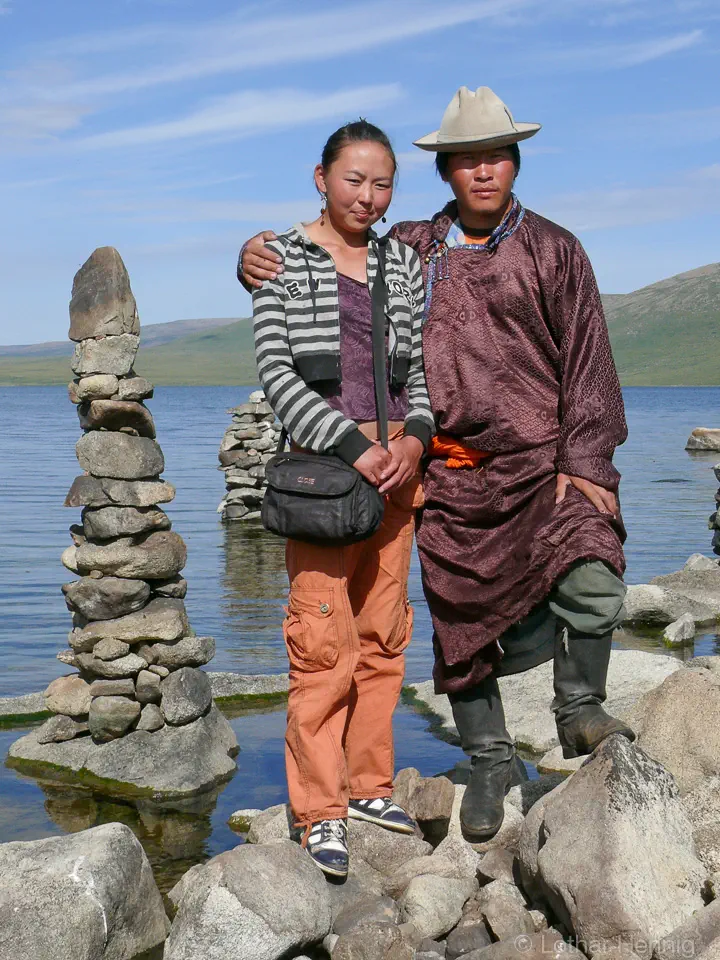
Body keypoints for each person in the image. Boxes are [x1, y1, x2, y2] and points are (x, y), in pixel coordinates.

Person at [240, 88, 634, 846]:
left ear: (515, 163)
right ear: (447, 170)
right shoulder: (414, 247)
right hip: (447, 473)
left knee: (591, 563)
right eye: (467, 159)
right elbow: (324, 281)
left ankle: (579, 709)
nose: (484, 170)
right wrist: (249, 256)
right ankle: (488, 759)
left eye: (497, 156)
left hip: (539, 463)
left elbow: (590, 357)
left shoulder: (556, 248)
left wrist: (586, 459)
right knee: (456, 621)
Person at [250, 119, 434, 877]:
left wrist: (413, 442)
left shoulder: (401, 262)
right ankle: (319, 811)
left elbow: (416, 374)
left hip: (399, 474)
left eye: (382, 181)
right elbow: (278, 374)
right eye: (353, 178)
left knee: (384, 638)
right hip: (327, 476)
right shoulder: (280, 258)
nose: (367, 194)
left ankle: (368, 786)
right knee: (323, 645)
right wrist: (357, 449)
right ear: (320, 177)